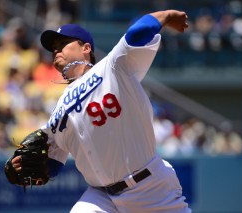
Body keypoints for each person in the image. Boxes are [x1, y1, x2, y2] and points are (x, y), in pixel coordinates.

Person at [12, 9, 191, 213]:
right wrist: (26, 167)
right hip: (101, 196)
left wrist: (166, 16)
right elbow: (50, 163)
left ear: (86, 48)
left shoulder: (112, 67)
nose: (56, 50)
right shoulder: (59, 108)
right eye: (53, 48)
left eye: (63, 44)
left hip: (150, 188)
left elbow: (137, 33)